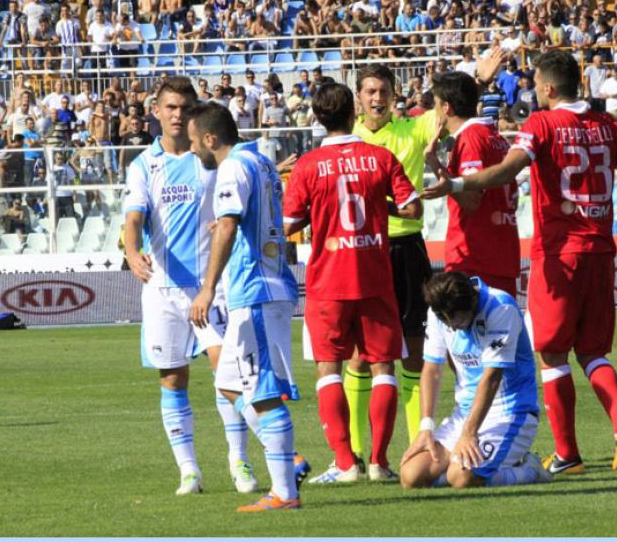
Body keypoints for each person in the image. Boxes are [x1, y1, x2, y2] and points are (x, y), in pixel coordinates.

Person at [423, 50, 617, 475]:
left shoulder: (541, 124)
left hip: (558, 256)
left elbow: (506, 171)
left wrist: (454, 183)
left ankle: (568, 455)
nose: (534, 92)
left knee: (553, 356)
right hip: (600, 251)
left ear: (547, 88)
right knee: (594, 352)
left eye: (536, 85)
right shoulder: (607, 125)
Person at [123, 77, 257, 497]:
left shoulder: (211, 158)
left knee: (227, 373)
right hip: (163, 288)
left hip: (213, 286)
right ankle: (189, 471)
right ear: (156, 111)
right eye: (171, 107)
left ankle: (239, 460)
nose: (178, 115)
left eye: (184, 108)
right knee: (172, 378)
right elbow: (133, 218)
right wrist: (132, 251)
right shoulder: (143, 165)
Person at [282, 83, 421, 484]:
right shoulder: (380, 158)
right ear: (353, 113)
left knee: (329, 369)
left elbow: (289, 224)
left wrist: (317, 214)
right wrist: (380, 204)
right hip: (375, 275)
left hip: (328, 280)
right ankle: (379, 462)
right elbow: (412, 207)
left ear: (318, 117)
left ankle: (345, 463)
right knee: (384, 368)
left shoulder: (307, 166)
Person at [186, 102, 306, 512]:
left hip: (255, 290)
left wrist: (207, 289)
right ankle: (290, 462)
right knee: (229, 384)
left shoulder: (232, 167)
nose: (192, 150)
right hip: (264, 286)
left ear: (210, 138)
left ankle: (284, 493)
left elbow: (230, 224)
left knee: (263, 391)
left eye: (194, 142)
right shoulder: (261, 162)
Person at [345, 64, 437, 463]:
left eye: (383, 91)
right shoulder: (348, 139)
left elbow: (447, 110)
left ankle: (417, 450)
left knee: (414, 350)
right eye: (369, 91)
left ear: (394, 95)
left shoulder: (413, 130)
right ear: (358, 98)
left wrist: (481, 79)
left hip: (407, 247)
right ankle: (352, 453)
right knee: (360, 354)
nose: (377, 98)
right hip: (365, 250)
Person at [399, 272, 551, 489]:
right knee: (411, 476)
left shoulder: (501, 307)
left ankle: (530, 470)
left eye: (457, 319)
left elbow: (491, 378)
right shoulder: (438, 310)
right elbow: (431, 370)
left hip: (510, 413)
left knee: (462, 477)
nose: (452, 326)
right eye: (445, 320)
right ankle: (479, 465)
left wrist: (468, 434)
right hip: (464, 413)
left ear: (472, 301)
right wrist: (426, 428)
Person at [426, 71, 520, 297]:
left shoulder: (470, 138)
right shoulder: (494, 136)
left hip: (474, 258)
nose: (434, 112)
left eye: (435, 105)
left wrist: (434, 162)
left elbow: (471, 201)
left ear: (446, 108)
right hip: (500, 254)